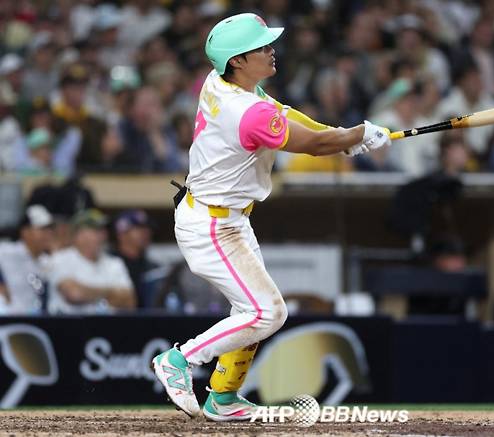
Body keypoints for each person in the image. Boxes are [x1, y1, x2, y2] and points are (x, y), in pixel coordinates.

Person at [151, 13, 391, 421]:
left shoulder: (227, 83)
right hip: (212, 226)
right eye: (261, 47)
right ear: (238, 60)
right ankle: (178, 360)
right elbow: (311, 144)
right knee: (267, 313)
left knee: (252, 310)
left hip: (226, 219)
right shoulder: (244, 111)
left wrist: (344, 135)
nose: (271, 49)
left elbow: (292, 117)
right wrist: (351, 136)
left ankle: (223, 397)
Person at [48, 209, 136, 314]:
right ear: (78, 235)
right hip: (69, 325)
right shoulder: (60, 259)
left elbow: (130, 302)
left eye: (103, 230)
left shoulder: (114, 263)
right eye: (96, 230)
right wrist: (111, 292)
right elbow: (75, 294)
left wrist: (89, 292)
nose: (102, 235)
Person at [0, 205, 54, 314]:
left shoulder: (48, 261)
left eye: (50, 229)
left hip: (37, 321)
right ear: (25, 231)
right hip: (7, 320)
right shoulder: (8, 251)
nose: (48, 234)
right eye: (42, 229)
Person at [111, 209, 160, 309]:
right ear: (121, 234)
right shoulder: (108, 263)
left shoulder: (153, 268)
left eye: (147, 229)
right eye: (139, 229)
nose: (146, 233)